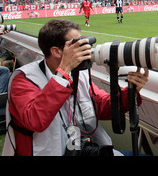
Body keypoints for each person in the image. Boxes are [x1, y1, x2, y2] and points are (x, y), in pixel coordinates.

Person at [2, 19, 149, 156]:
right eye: (77, 44)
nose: (85, 48)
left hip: (82, 149)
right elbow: (34, 121)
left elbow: (102, 106)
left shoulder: (79, 74)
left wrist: (131, 91)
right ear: (56, 51)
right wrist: (63, 73)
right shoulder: (24, 79)